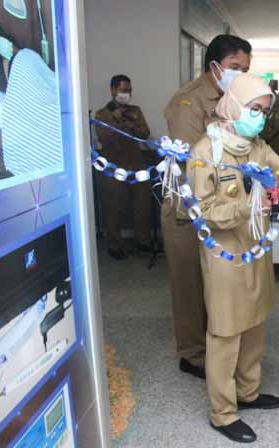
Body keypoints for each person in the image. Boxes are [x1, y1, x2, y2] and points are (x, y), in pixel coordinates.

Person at [188, 73, 279, 444]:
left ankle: (248, 392)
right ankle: (223, 413)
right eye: (253, 109)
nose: (259, 117)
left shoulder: (255, 145)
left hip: (257, 247)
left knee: (255, 321)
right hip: (224, 253)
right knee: (226, 331)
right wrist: (249, 204)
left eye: (264, 111)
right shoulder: (204, 152)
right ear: (233, 106)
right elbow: (204, 209)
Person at [163, 34, 252, 380]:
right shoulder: (189, 101)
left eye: (245, 69)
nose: (240, 74)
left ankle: (218, 347)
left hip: (221, 207)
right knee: (189, 284)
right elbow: (197, 157)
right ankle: (192, 354)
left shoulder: (233, 98)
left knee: (217, 282)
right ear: (214, 66)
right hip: (189, 207)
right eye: (235, 68)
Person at [94, 74, 151, 260]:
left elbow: (145, 134)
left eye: (129, 90)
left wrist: (131, 124)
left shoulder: (136, 111)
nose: (127, 94)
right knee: (112, 205)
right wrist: (118, 122)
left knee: (142, 202)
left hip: (136, 161)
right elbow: (103, 138)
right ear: (113, 90)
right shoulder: (102, 114)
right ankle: (114, 245)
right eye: (123, 90)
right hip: (113, 163)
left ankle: (142, 241)